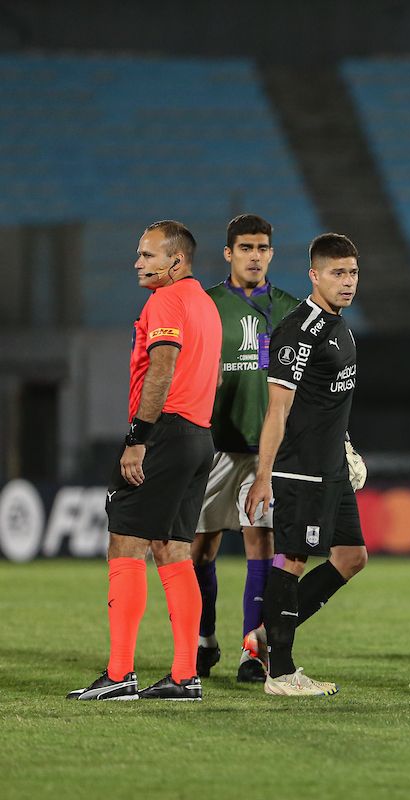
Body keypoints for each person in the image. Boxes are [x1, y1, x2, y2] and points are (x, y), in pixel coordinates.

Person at [68, 220, 221, 701]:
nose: (138, 263)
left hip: (165, 434)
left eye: (148, 255)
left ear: (176, 261)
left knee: (124, 546)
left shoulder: (166, 301)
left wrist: (138, 437)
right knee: (174, 551)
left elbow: (163, 365)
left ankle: (119, 675)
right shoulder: (207, 305)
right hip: (198, 435)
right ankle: (184, 676)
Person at [244, 233, 367, 697]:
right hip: (302, 469)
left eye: (353, 272)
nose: (348, 281)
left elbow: (328, 401)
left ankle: (264, 636)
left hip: (333, 466)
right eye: (337, 273)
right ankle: (281, 671)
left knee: (352, 557)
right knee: (292, 558)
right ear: (314, 276)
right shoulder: (299, 330)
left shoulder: (341, 326)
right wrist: (263, 475)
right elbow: (277, 410)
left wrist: (347, 444)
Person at [191, 214, 301, 683]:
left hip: (266, 451)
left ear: (272, 253)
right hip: (215, 445)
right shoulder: (206, 304)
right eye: (246, 248)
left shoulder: (291, 309)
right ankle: (204, 638)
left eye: (262, 248)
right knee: (199, 551)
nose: (254, 255)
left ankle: (250, 651)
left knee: (262, 545)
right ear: (229, 254)